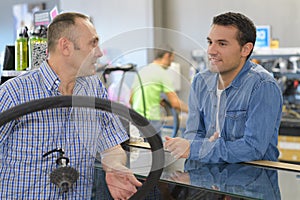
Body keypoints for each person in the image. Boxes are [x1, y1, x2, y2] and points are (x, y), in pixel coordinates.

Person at [0, 12, 141, 199]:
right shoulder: (14, 92)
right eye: (93, 43)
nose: (99, 53)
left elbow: (112, 147)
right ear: (66, 46)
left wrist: (115, 168)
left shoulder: (93, 88)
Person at [164, 12, 283, 163]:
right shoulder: (201, 81)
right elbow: (192, 134)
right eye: (210, 42)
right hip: (206, 179)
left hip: (250, 182)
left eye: (222, 43)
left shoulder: (262, 86)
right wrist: (203, 147)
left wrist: (203, 148)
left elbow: (252, 148)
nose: (211, 51)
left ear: (245, 49)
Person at [130, 46, 188, 134]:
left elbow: (131, 99)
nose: (170, 64)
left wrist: (155, 100)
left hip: (136, 119)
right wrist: (192, 111)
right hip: (151, 121)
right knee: (155, 147)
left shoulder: (142, 71)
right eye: (171, 60)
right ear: (167, 55)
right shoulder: (162, 73)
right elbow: (175, 103)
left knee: (141, 147)